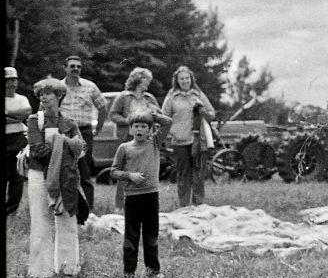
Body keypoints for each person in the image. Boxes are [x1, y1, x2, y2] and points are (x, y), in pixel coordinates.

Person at [26, 78, 86, 278]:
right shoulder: (34, 120)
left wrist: (63, 146)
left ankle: (68, 269)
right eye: (41, 94)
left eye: (48, 93)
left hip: (65, 175)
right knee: (40, 221)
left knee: (67, 219)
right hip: (39, 175)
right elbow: (37, 150)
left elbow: (82, 148)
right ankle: (40, 272)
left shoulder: (69, 122)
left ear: (59, 96)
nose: (43, 97)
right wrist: (65, 145)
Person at [110, 111, 165, 278]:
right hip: (133, 197)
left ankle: (153, 271)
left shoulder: (155, 143)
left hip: (151, 195)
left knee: (151, 234)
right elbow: (114, 171)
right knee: (131, 235)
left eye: (143, 126)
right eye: (136, 126)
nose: (140, 129)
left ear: (150, 129)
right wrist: (130, 176)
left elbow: (168, 122)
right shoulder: (124, 148)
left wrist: (151, 115)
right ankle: (128, 275)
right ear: (131, 129)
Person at [109, 67, 172, 210]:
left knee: (144, 170)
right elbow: (113, 115)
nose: (148, 82)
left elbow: (161, 115)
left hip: (146, 140)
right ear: (137, 79)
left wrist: (154, 112)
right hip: (127, 137)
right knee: (125, 171)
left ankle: (144, 204)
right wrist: (128, 121)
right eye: (146, 79)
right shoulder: (123, 96)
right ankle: (120, 206)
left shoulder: (149, 98)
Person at [60, 55, 107, 223]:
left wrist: (98, 129)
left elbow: (103, 108)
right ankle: (65, 208)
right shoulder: (58, 87)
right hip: (63, 134)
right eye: (72, 66)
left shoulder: (90, 86)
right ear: (65, 68)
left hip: (84, 132)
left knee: (84, 171)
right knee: (64, 170)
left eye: (78, 66)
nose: (75, 69)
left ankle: (89, 210)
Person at [161, 66, 215, 207]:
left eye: (187, 78)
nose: (185, 81)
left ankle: (198, 204)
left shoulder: (198, 94)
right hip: (179, 141)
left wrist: (202, 110)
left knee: (198, 173)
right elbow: (163, 117)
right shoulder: (172, 96)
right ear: (177, 81)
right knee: (183, 174)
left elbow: (211, 114)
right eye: (182, 79)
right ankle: (184, 206)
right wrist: (172, 131)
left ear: (191, 79)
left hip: (198, 140)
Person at [6, 67, 32, 215]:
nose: (11, 84)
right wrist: (17, 117)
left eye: (14, 80)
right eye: (8, 80)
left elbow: (27, 112)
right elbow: (21, 115)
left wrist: (8, 113)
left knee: (17, 175)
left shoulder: (22, 99)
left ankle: (12, 209)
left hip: (18, 137)